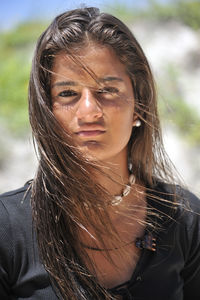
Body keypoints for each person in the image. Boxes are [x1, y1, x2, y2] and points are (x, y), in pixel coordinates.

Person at [0, 7, 200, 300]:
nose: (89, 111)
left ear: (139, 106)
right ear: (47, 111)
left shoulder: (184, 219)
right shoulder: (7, 230)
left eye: (107, 89)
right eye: (67, 93)